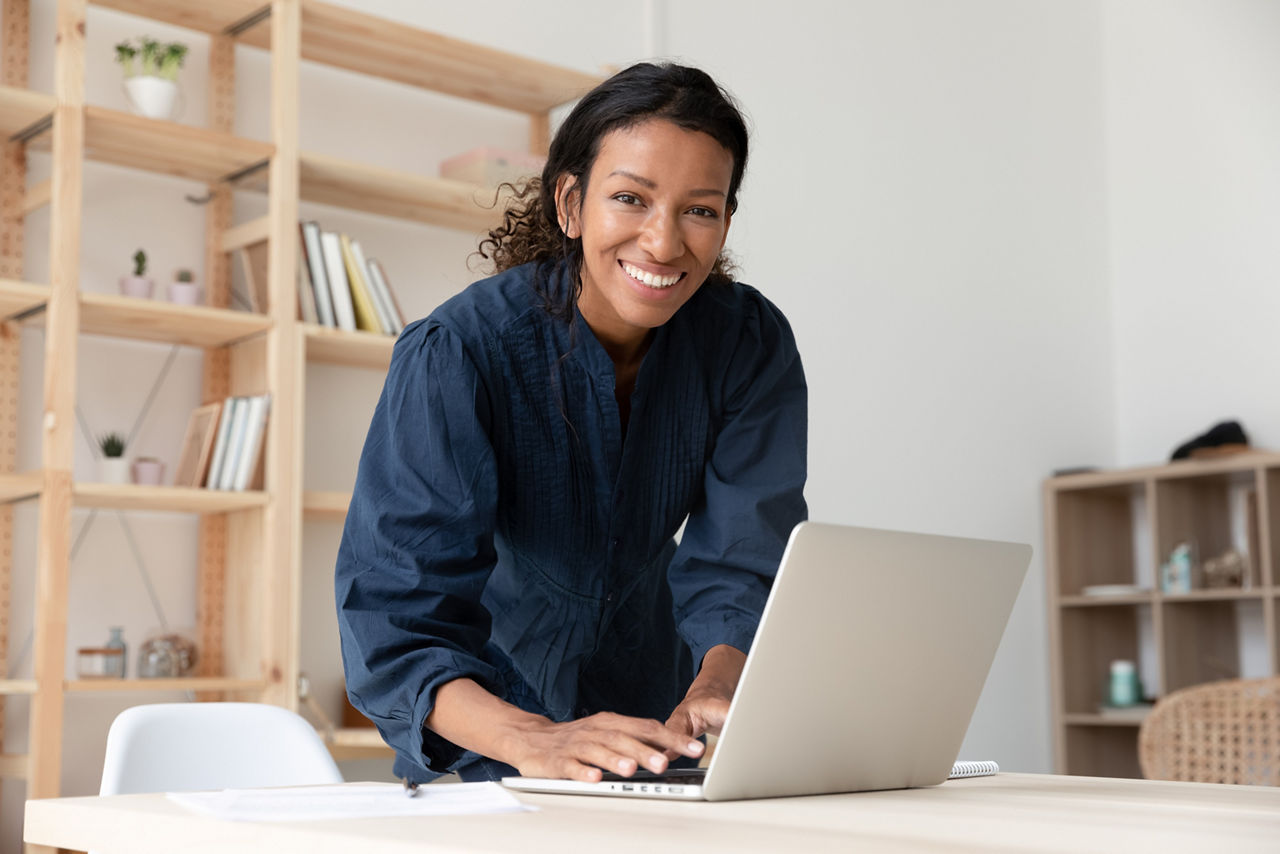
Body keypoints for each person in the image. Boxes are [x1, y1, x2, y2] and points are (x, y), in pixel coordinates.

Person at [335, 61, 807, 785]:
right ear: (570, 203)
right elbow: (398, 624)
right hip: (487, 740)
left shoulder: (747, 345)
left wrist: (717, 686)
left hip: (654, 732)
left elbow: (739, 562)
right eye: (630, 198)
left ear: (725, 223)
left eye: (699, 209)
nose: (662, 242)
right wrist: (531, 741)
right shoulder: (460, 352)